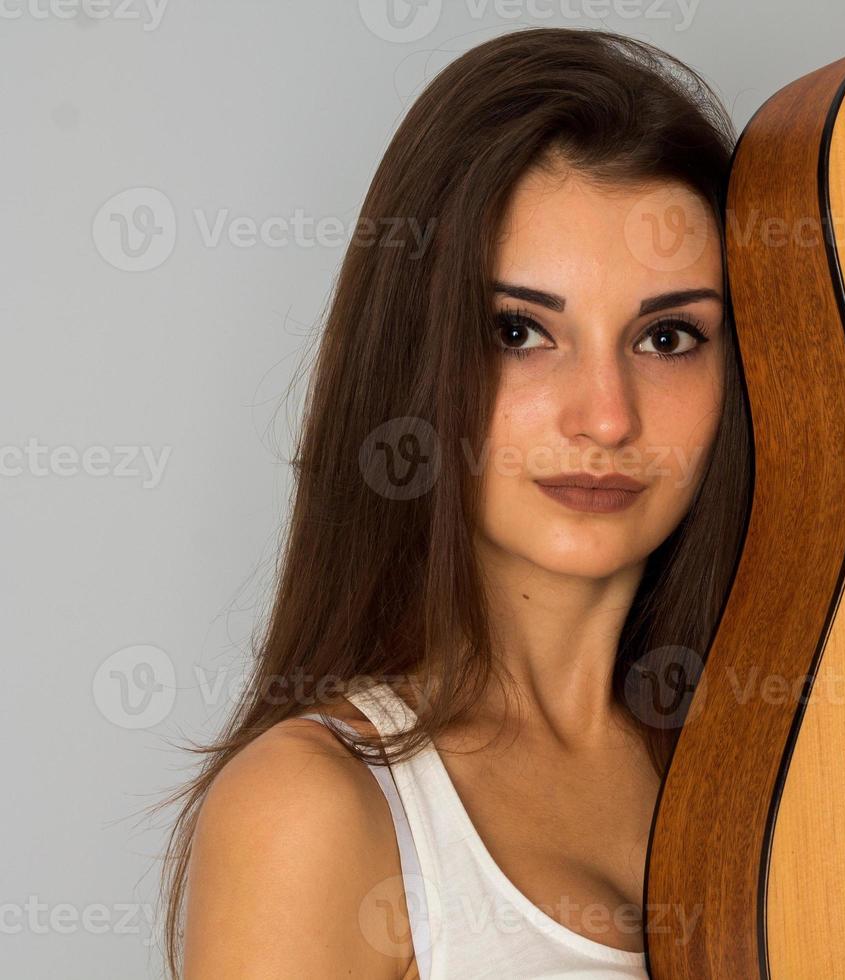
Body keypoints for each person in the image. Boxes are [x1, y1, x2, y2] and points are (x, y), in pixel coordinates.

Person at [159, 27, 751, 979]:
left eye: (669, 338)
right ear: (414, 362)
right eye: (519, 331)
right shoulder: (315, 812)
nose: (605, 416)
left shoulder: (795, 764)